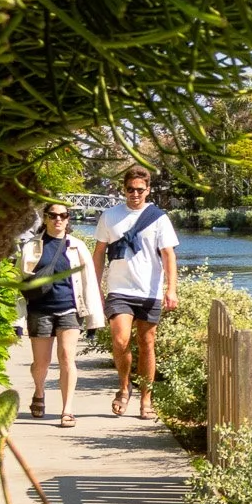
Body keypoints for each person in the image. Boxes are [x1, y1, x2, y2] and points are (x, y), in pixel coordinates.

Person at [95, 166, 179, 419]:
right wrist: (96, 288)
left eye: (139, 190)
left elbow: (168, 255)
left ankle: (147, 399)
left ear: (148, 190)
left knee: (147, 343)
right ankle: (123, 387)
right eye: (130, 189)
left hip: (149, 290)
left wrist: (171, 289)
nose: (134, 194)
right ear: (124, 189)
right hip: (119, 289)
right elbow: (98, 254)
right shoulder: (109, 216)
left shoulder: (158, 218)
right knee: (120, 340)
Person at [16, 203, 104, 426]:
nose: (58, 219)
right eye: (53, 215)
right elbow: (20, 286)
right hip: (40, 310)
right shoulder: (31, 247)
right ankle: (39, 392)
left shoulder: (77, 247)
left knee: (67, 358)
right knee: (41, 363)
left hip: (69, 309)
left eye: (63, 216)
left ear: (68, 219)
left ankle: (67, 410)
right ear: (45, 218)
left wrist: (93, 318)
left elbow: (89, 283)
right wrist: (17, 320)